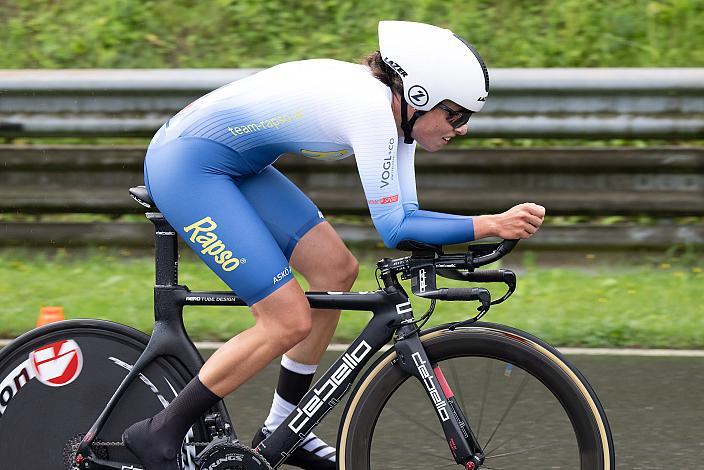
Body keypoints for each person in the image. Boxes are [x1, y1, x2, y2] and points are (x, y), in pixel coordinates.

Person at [121, 20, 546, 470]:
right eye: (456, 115)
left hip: (236, 167)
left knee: (335, 272)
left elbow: (410, 218)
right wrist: (490, 224)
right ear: (419, 98)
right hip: (187, 166)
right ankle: (160, 432)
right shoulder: (371, 110)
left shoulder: (399, 120)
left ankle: (284, 427)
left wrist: (479, 232)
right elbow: (396, 227)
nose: (460, 129)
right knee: (286, 320)